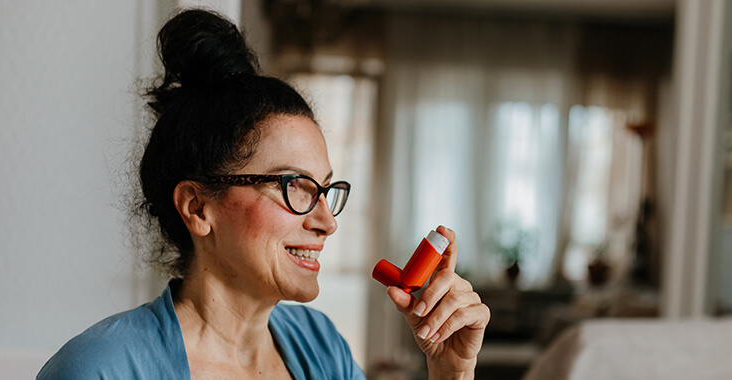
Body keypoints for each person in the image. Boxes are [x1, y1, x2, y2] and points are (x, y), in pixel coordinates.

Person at [38, 9, 489, 380]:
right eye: (294, 185)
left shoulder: (321, 347)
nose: (327, 222)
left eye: (325, 190)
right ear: (198, 208)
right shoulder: (99, 370)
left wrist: (451, 372)